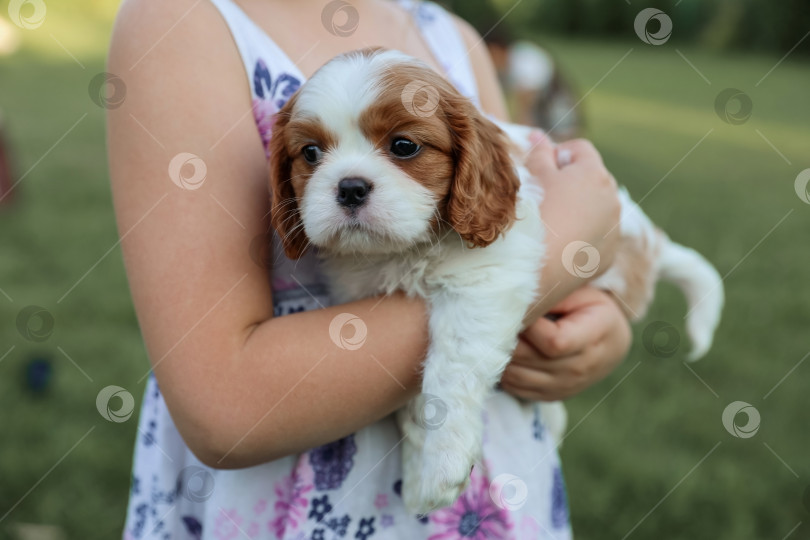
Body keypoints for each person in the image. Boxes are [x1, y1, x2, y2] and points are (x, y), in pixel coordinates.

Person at [108, 0, 630, 538]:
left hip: (495, 485)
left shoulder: (452, 37)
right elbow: (223, 413)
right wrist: (560, 251)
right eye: (312, 154)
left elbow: (498, 220)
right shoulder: (177, 21)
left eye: (403, 146)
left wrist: (597, 330)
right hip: (285, 501)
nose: (348, 180)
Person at [485, 29, 582, 140]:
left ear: (496, 49)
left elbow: (526, 107)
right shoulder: (509, 64)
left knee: (562, 132)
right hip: (544, 97)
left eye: (490, 54)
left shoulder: (520, 61)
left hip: (553, 95)